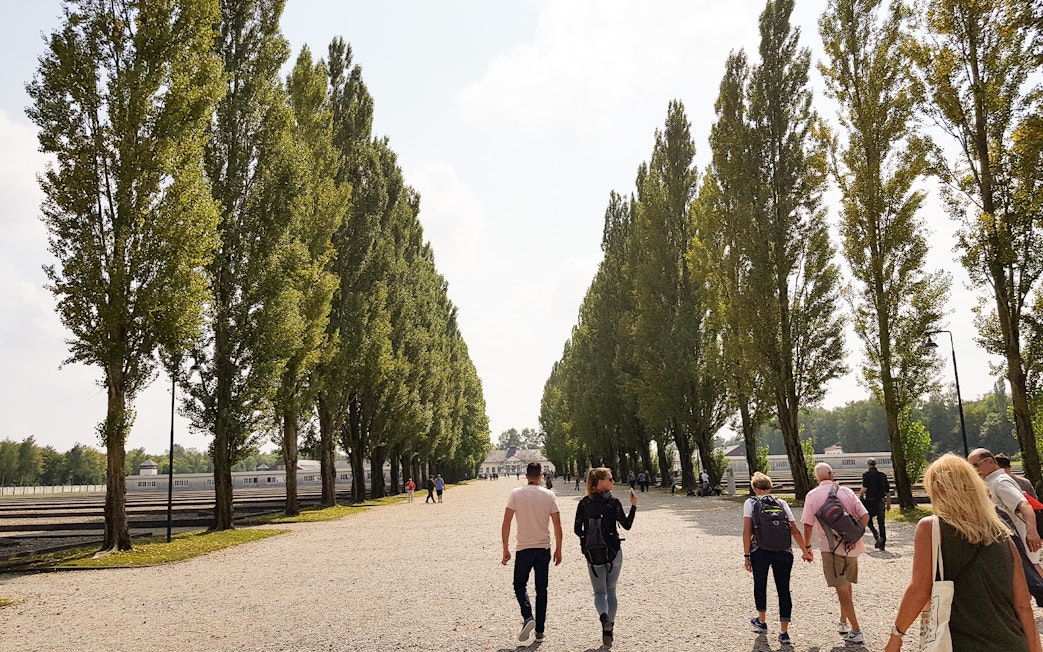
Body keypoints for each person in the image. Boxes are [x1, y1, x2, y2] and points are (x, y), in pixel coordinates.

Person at [883, 454, 1041, 652]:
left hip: (959, 642)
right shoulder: (1002, 533)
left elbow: (919, 590)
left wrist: (897, 635)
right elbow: (1023, 603)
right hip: (1011, 642)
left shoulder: (932, 528)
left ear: (938, 490)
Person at [801, 462, 870, 645]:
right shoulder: (846, 492)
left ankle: (856, 630)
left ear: (816, 477)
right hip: (852, 547)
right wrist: (854, 535)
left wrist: (807, 547)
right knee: (847, 585)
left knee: (840, 587)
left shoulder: (812, 495)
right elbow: (865, 516)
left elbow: (807, 524)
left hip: (830, 548)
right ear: (831, 474)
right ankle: (843, 620)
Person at [743, 472, 813, 647]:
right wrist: (805, 551)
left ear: (754, 488)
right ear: (771, 487)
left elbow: (747, 531)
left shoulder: (750, 503)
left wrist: (746, 555)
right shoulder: (781, 502)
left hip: (760, 551)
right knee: (784, 589)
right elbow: (794, 530)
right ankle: (784, 632)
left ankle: (762, 621)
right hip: (783, 551)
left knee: (760, 584)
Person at [575, 467, 637, 647]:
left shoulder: (584, 503)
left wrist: (588, 538)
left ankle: (604, 619)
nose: (613, 482)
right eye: (610, 479)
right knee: (611, 591)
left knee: (599, 592)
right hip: (613, 552)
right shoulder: (613, 502)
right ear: (600, 482)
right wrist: (633, 505)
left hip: (593, 554)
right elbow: (627, 525)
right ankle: (610, 628)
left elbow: (577, 529)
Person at [502, 461, 563, 643]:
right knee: (541, 590)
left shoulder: (516, 493)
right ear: (541, 476)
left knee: (519, 585)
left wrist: (505, 548)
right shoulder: (549, 495)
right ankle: (540, 631)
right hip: (543, 547)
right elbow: (557, 525)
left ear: (526, 476)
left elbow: (506, 522)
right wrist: (559, 549)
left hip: (524, 547)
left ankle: (528, 616)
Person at [968, 448, 1042, 573]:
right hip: (1011, 541)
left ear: (990, 461)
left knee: (1030, 574)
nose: (975, 470)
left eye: (976, 465)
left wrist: (1032, 531)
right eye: (970, 467)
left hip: (1019, 540)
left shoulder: (1000, 482)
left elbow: (1025, 505)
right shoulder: (993, 481)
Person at [858, 457, 890, 550]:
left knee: (869, 520)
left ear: (868, 464)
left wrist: (860, 494)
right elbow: (887, 491)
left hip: (870, 501)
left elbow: (865, 488)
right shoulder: (882, 475)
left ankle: (877, 536)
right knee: (881, 523)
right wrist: (888, 503)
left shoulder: (866, 475)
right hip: (880, 501)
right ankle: (882, 543)